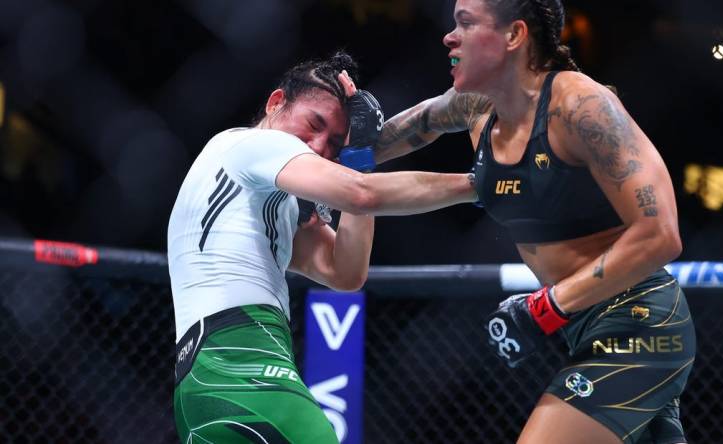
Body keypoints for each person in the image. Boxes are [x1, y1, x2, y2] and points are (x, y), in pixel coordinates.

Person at [372, 1, 695, 443]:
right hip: (583, 327)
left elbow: (660, 234)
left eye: (465, 23)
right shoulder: (475, 108)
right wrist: (323, 144)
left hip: (638, 319)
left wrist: (547, 306)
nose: (449, 36)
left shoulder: (581, 106)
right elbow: (391, 136)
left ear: (514, 35)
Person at [167, 52, 476, 444]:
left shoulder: (261, 205)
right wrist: (479, 184)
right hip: (242, 362)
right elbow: (361, 196)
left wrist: (359, 158)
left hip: (203, 382)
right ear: (276, 103)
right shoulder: (251, 145)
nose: (317, 148)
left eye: (334, 143)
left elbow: (345, 273)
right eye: (314, 125)